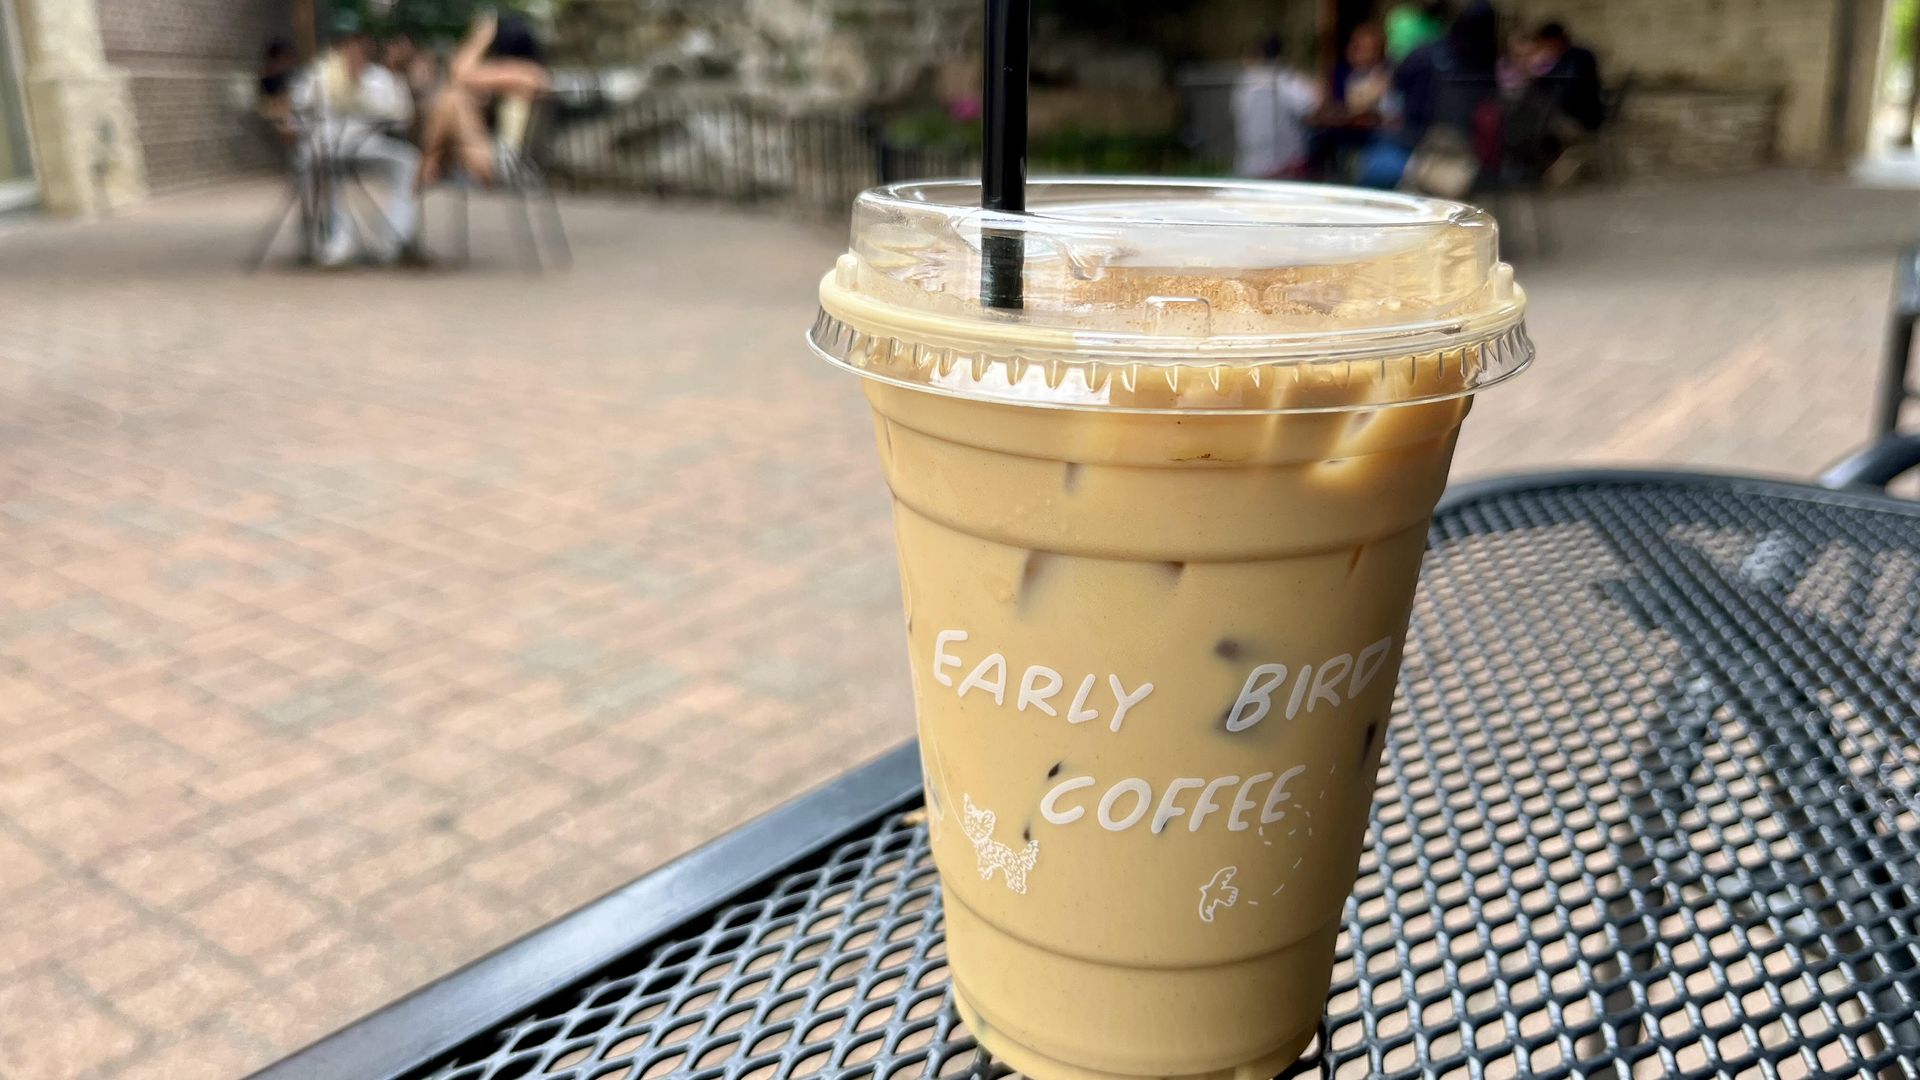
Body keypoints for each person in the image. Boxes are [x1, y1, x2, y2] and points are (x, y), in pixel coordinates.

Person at [292, 18, 421, 266]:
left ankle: (393, 239)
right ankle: (338, 239)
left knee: (410, 162)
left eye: (360, 44)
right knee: (320, 166)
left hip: (366, 147)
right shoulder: (318, 74)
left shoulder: (380, 77)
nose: (356, 50)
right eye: (350, 44)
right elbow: (297, 114)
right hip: (325, 148)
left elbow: (403, 118)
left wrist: (395, 75)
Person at [1358, 0, 1501, 193]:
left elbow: (1388, 88)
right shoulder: (1487, 67)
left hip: (1417, 150)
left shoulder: (1426, 53)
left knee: (1375, 168)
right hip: (1467, 162)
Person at [418, 11, 552, 188]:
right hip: (503, 161)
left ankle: (424, 171)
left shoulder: (527, 73)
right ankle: (428, 166)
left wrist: (481, 36)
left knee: (452, 98)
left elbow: (459, 73)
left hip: (512, 166)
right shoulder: (532, 74)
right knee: (452, 100)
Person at [1308, 24, 1391, 180]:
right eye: (1356, 46)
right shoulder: (1340, 73)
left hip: (1371, 139)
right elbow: (1330, 105)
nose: (1358, 51)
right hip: (1340, 134)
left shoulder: (1385, 76)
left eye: (1366, 48)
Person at [1230, 34, 1319, 179]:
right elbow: (1312, 104)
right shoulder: (1287, 80)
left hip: (1247, 165)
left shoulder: (1243, 84)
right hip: (1284, 167)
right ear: (1282, 55)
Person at [1529, 21, 1603, 133]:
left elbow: (1567, 92)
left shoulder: (1578, 59)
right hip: (1563, 116)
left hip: (1578, 120)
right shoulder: (1560, 60)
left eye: (1548, 44)